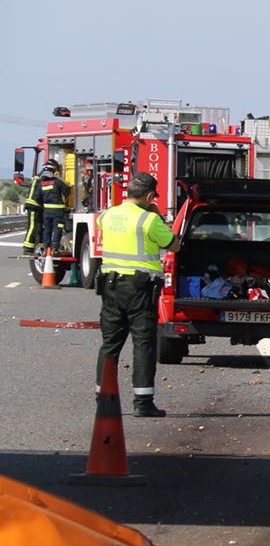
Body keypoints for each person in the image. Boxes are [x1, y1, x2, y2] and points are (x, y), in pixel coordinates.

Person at [97, 171, 173, 417]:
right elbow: (173, 244)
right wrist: (155, 214)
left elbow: (107, 226)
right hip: (140, 288)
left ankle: (103, 397)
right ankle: (142, 402)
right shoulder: (149, 220)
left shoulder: (107, 215)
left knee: (110, 344)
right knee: (142, 343)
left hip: (110, 285)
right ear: (150, 196)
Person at [25, 159, 71, 259]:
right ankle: (54, 249)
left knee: (47, 229)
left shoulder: (41, 183)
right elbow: (67, 191)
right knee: (57, 229)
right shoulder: (57, 182)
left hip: (46, 212)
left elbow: (38, 196)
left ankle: (46, 248)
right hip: (58, 212)